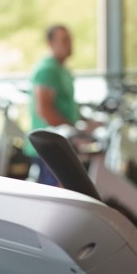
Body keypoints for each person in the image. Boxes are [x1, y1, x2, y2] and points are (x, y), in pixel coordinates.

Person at [27, 24, 99, 185]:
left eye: (70, 40)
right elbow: (44, 109)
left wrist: (86, 122)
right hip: (50, 147)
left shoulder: (63, 70)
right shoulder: (47, 70)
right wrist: (76, 129)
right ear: (51, 43)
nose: (69, 44)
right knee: (54, 200)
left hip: (64, 144)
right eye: (64, 40)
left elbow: (67, 104)